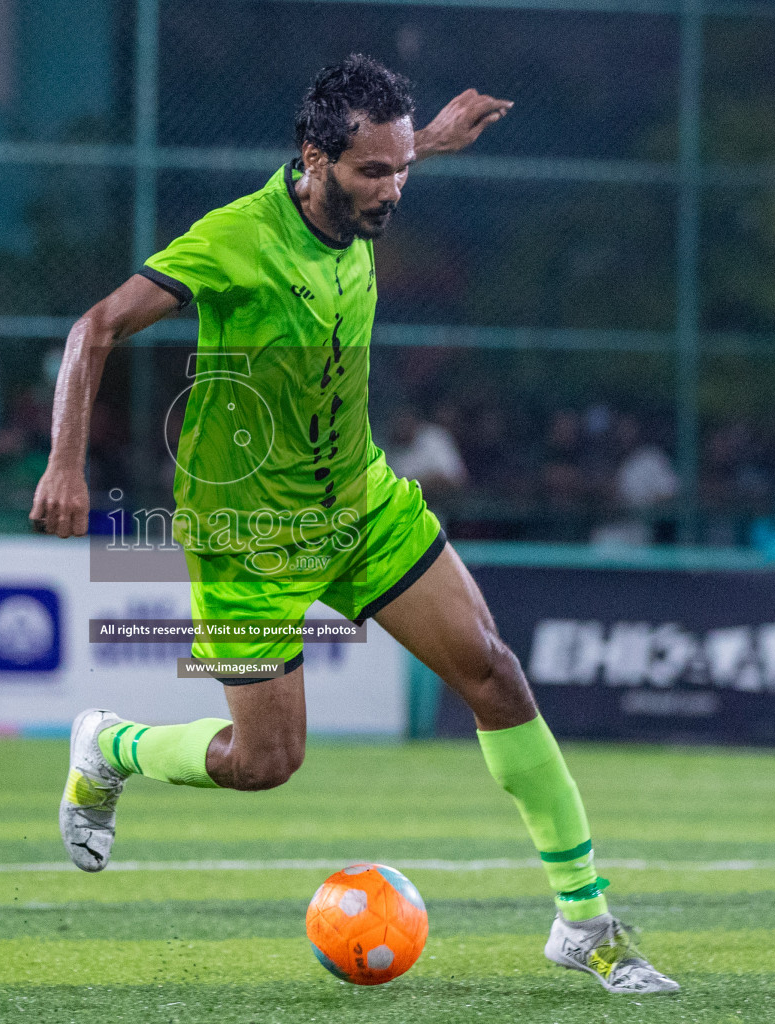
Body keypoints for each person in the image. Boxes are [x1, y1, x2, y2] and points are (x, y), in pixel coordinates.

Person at [33, 56, 677, 995]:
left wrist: (436, 140)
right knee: (265, 762)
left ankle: (585, 920)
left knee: (494, 673)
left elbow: (397, 163)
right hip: (248, 533)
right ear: (313, 160)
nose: (393, 190)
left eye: (402, 167)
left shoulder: (366, 195)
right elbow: (93, 329)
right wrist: (64, 462)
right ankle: (110, 746)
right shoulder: (236, 239)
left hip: (360, 504)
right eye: (373, 172)